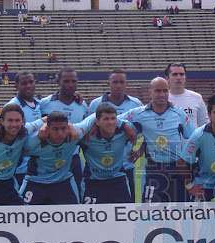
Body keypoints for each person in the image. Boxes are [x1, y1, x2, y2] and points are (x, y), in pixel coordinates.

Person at [120, 77, 195, 203]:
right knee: (151, 215)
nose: (162, 94)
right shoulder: (140, 113)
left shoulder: (179, 113)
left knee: (180, 214)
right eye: (158, 91)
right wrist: (125, 126)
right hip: (153, 170)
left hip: (176, 169)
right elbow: (114, 119)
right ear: (150, 92)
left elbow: (193, 137)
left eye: (165, 91)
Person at [88, 69, 143, 202]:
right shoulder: (96, 104)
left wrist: (141, 151)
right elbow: (90, 127)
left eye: (121, 82)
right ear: (109, 83)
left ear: (126, 84)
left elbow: (147, 128)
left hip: (126, 164)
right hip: (100, 166)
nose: (118, 85)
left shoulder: (136, 104)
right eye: (115, 82)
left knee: (127, 208)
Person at [19, 111, 91, 205]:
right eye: (55, 129)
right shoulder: (33, 141)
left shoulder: (75, 134)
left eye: (63, 128)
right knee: (22, 216)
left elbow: (95, 117)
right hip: (35, 182)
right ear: (47, 129)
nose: (60, 133)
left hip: (63, 182)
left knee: (73, 217)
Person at [40, 67, 89, 201]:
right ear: (58, 82)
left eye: (74, 81)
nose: (70, 84)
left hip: (73, 158)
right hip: (49, 159)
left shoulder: (82, 104)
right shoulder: (45, 104)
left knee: (77, 196)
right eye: (66, 81)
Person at [80, 104, 133, 204]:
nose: (111, 122)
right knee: (90, 218)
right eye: (106, 119)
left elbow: (148, 129)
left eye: (113, 118)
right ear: (97, 122)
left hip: (118, 182)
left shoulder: (123, 134)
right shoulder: (86, 137)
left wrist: (140, 150)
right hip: (92, 182)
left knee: (123, 218)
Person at [4, 71, 42, 186]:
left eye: (31, 82)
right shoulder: (11, 106)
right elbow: (2, 134)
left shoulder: (40, 104)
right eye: (24, 83)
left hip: (38, 166)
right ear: (16, 86)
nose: (28, 86)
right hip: (19, 167)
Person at [165, 62, 209, 129]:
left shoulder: (196, 98)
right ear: (167, 78)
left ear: (185, 78)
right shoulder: (162, 99)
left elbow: (205, 124)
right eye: (175, 74)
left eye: (182, 74)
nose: (179, 77)